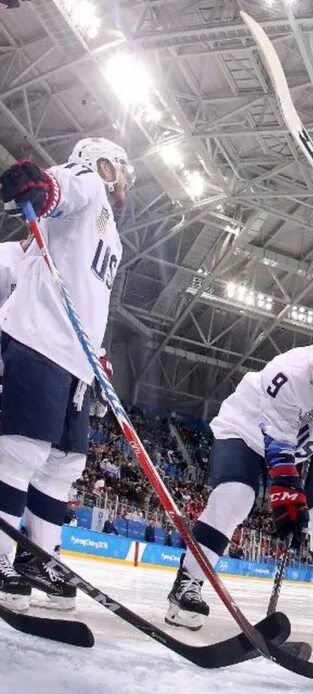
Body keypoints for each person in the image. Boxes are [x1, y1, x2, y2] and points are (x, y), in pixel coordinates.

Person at [164, 335, 313, 630]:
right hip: (247, 432)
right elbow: (279, 450)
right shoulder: (287, 375)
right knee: (235, 497)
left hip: (301, 445)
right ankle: (187, 583)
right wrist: (287, 499)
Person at [0, 138, 132, 611]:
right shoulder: (89, 183)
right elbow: (58, 190)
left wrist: (97, 355)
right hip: (39, 339)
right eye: (122, 172)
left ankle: (37, 556)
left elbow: (88, 297)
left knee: (63, 466)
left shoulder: (111, 235)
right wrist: (39, 187)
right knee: (20, 452)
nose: (124, 185)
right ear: (103, 164)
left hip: (78, 360)